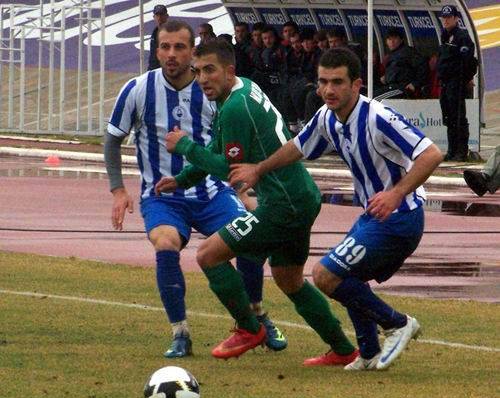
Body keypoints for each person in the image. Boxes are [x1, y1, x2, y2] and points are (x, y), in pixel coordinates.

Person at [229, 48, 444, 370]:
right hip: (373, 216)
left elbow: (431, 153)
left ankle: (397, 323)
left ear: (357, 84)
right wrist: (259, 170)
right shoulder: (328, 117)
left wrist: (397, 193)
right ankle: (369, 352)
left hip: (400, 218)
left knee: (325, 274)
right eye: (323, 82)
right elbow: (298, 147)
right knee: (347, 274)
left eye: (338, 82)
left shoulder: (377, 117)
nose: (329, 90)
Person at [155, 40, 358, 364]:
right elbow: (223, 151)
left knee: (209, 254)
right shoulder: (242, 90)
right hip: (301, 195)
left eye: (210, 70)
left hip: (282, 204)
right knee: (289, 279)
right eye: (197, 71)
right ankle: (344, 351)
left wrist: (185, 148)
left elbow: (233, 173)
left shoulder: (235, 108)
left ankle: (249, 328)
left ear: (229, 70)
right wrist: (182, 180)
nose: (203, 78)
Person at [105, 20, 287, 359]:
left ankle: (254, 316)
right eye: (164, 47)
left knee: (247, 241)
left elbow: (231, 148)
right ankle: (181, 333)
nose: (171, 54)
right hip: (163, 198)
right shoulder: (137, 89)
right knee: (166, 242)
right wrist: (118, 189)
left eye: (179, 47)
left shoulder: (212, 92)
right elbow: (112, 139)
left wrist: (244, 190)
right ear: (156, 50)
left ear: (192, 52)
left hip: (212, 193)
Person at [437, 5, 477, 162]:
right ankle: (452, 150)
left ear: (456, 18)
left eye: (448, 17)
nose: (445, 20)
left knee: (459, 116)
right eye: (443, 18)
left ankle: (461, 151)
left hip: (456, 82)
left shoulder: (462, 37)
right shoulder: (444, 36)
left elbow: (468, 61)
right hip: (445, 82)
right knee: (448, 117)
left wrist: (466, 79)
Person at [374, 27, 428, 100]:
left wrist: (415, 84)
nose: (392, 42)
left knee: (375, 99)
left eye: (395, 39)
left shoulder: (409, 52)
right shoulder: (392, 54)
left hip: (402, 88)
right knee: (370, 96)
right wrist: (386, 77)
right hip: (391, 87)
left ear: (401, 40)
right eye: (389, 39)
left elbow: (423, 67)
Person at [147, 5, 169, 71]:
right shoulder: (154, 32)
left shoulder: (171, 32)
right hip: (153, 69)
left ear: (167, 16)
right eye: (157, 15)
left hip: (165, 70)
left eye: (162, 14)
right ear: (154, 17)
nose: (159, 17)